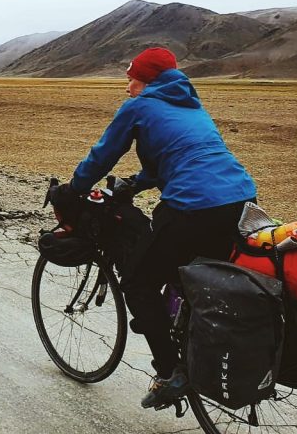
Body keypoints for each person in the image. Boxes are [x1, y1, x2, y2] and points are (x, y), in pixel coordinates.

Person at [68, 46, 257, 409]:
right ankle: (203, 348)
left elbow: (103, 154)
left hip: (194, 207)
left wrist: (75, 188)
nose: (127, 87)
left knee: (138, 282)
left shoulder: (139, 107)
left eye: (132, 79)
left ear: (148, 80)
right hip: (242, 201)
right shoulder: (192, 105)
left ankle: (171, 372)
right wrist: (135, 184)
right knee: (205, 277)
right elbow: (174, 160)